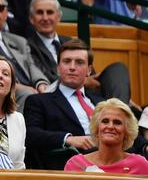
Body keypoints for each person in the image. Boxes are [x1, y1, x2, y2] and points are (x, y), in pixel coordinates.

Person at [24, 38, 147, 170]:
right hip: (75, 165)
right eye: (66, 61)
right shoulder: (39, 101)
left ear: (89, 70)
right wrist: (69, 139)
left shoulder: (100, 101)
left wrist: (144, 146)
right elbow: (31, 134)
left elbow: (128, 130)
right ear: (58, 68)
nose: (72, 67)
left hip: (120, 162)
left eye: (79, 62)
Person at [27, 0, 131, 104]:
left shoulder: (70, 41)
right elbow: (46, 81)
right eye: (39, 13)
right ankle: (119, 109)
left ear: (58, 17)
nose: (45, 18)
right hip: (62, 98)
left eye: (50, 12)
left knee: (117, 69)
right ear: (31, 19)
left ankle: (121, 107)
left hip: (91, 95)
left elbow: (91, 74)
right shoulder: (27, 46)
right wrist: (83, 81)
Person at [65, 98, 148, 174]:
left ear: (127, 132)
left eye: (117, 122)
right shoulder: (75, 164)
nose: (110, 126)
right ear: (97, 129)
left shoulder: (140, 165)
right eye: (105, 121)